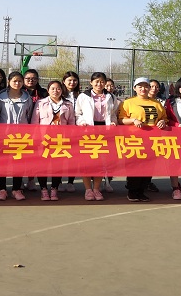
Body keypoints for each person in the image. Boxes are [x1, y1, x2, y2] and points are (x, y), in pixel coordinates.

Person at [119, 77, 168, 202]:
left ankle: (142, 191)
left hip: (152, 140)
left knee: (149, 166)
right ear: (134, 88)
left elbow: (164, 118)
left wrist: (163, 122)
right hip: (134, 140)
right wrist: (133, 120)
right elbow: (121, 120)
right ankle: (132, 191)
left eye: (146, 86)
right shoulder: (128, 103)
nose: (143, 89)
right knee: (134, 166)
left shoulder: (156, 104)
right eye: (140, 86)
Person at [76, 72, 120, 200]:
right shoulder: (83, 96)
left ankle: (96, 189)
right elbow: (77, 114)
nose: (99, 84)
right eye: (96, 81)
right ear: (91, 82)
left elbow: (113, 114)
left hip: (104, 131)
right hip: (88, 130)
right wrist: (81, 122)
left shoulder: (111, 96)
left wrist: (113, 122)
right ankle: (88, 190)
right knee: (86, 162)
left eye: (102, 82)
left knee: (101, 162)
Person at [31, 80, 74, 201]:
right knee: (42, 165)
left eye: (58, 88)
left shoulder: (68, 104)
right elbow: (35, 121)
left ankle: (54, 188)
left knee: (57, 165)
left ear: (62, 90)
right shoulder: (41, 103)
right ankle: (44, 189)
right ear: (48, 90)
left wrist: (70, 137)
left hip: (60, 139)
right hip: (43, 139)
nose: (55, 91)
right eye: (53, 89)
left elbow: (71, 122)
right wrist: (36, 138)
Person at [0, 71, 34, 201]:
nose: (17, 83)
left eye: (20, 81)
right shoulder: (1, 97)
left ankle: (16, 189)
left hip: (21, 136)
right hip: (3, 135)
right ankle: (2, 189)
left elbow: (29, 116)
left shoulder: (27, 98)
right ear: (9, 82)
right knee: (2, 163)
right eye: (14, 81)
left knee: (19, 163)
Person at [61, 70, 81, 192]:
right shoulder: (59, 94)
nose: (72, 82)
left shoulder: (81, 96)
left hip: (77, 130)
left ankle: (70, 182)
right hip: (61, 131)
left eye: (74, 80)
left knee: (73, 157)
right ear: (64, 81)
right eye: (69, 80)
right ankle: (58, 182)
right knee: (60, 156)